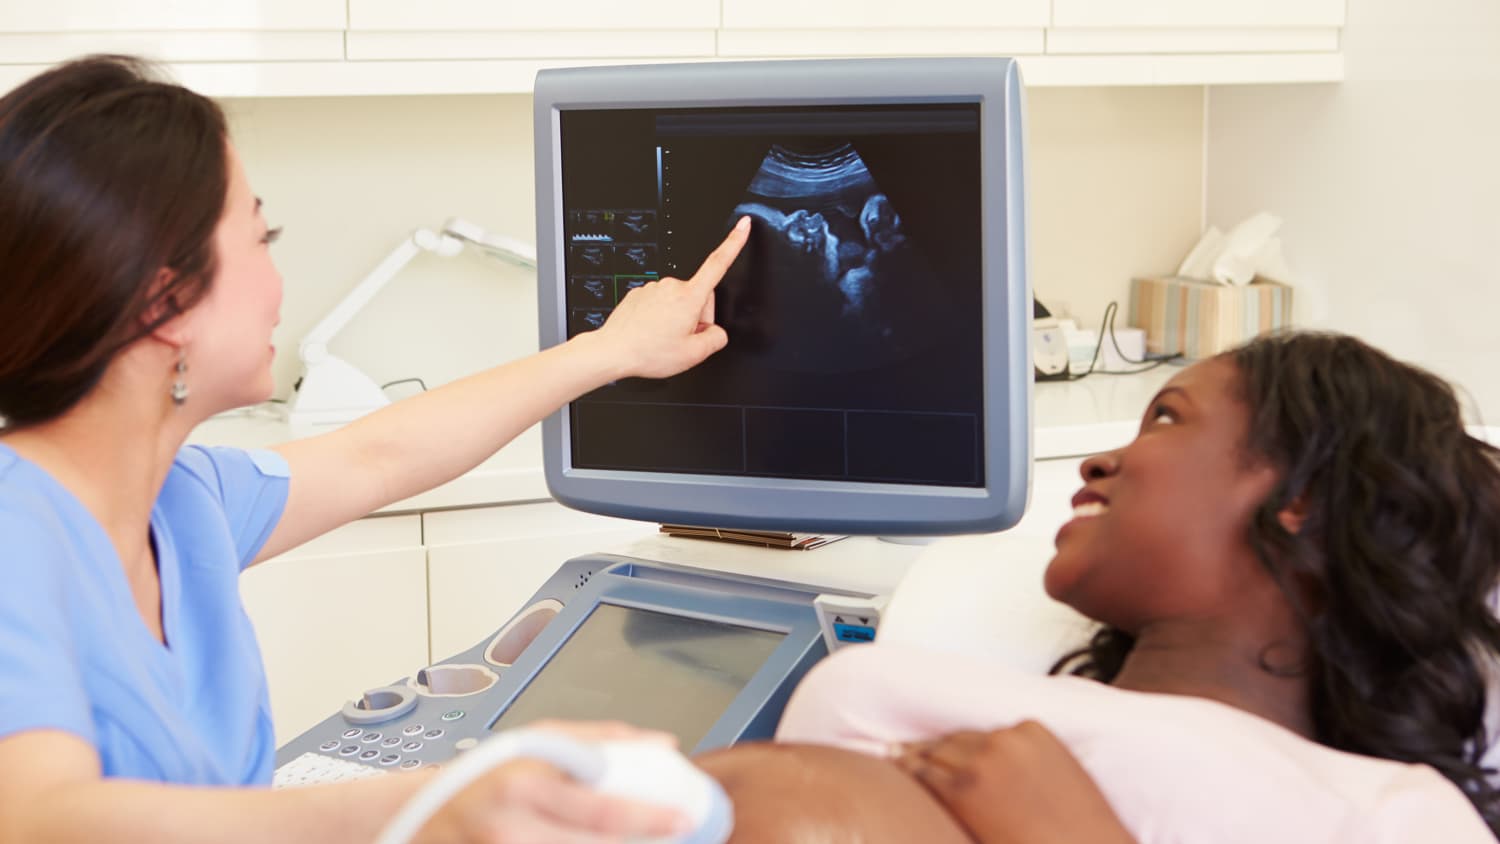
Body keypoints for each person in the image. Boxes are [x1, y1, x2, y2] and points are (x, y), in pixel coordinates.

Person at [0, 55, 749, 842]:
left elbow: (379, 455)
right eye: (261, 237)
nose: (277, 281)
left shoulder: (185, 502)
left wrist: (609, 350)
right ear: (165, 302)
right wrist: (434, 803)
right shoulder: (17, 535)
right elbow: (42, 819)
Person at [695, 331, 1500, 842]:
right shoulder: (956, 700)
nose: (1099, 462)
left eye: (1166, 420)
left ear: (1302, 500)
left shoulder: (1388, 812)